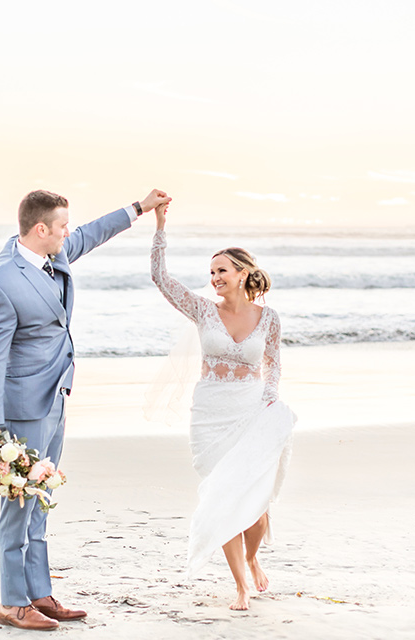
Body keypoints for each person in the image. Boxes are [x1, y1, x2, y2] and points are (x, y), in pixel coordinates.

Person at [0, 188, 171, 630]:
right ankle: (11, 602)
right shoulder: (1, 280)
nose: (70, 232)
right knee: (19, 502)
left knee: (42, 498)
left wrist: (140, 207)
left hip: (56, 396)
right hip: (22, 406)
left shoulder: (53, 254)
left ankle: (39, 592)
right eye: (62, 226)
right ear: (41, 229)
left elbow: (93, 233)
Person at [150, 202, 295, 610]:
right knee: (222, 495)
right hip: (210, 415)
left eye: (222, 271)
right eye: (211, 272)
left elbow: (274, 363)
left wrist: (270, 398)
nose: (214, 278)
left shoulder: (269, 318)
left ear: (243, 273)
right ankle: (241, 585)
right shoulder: (202, 310)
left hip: (251, 410)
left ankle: (252, 557)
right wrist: (160, 226)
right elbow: (160, 278)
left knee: (256, 501)